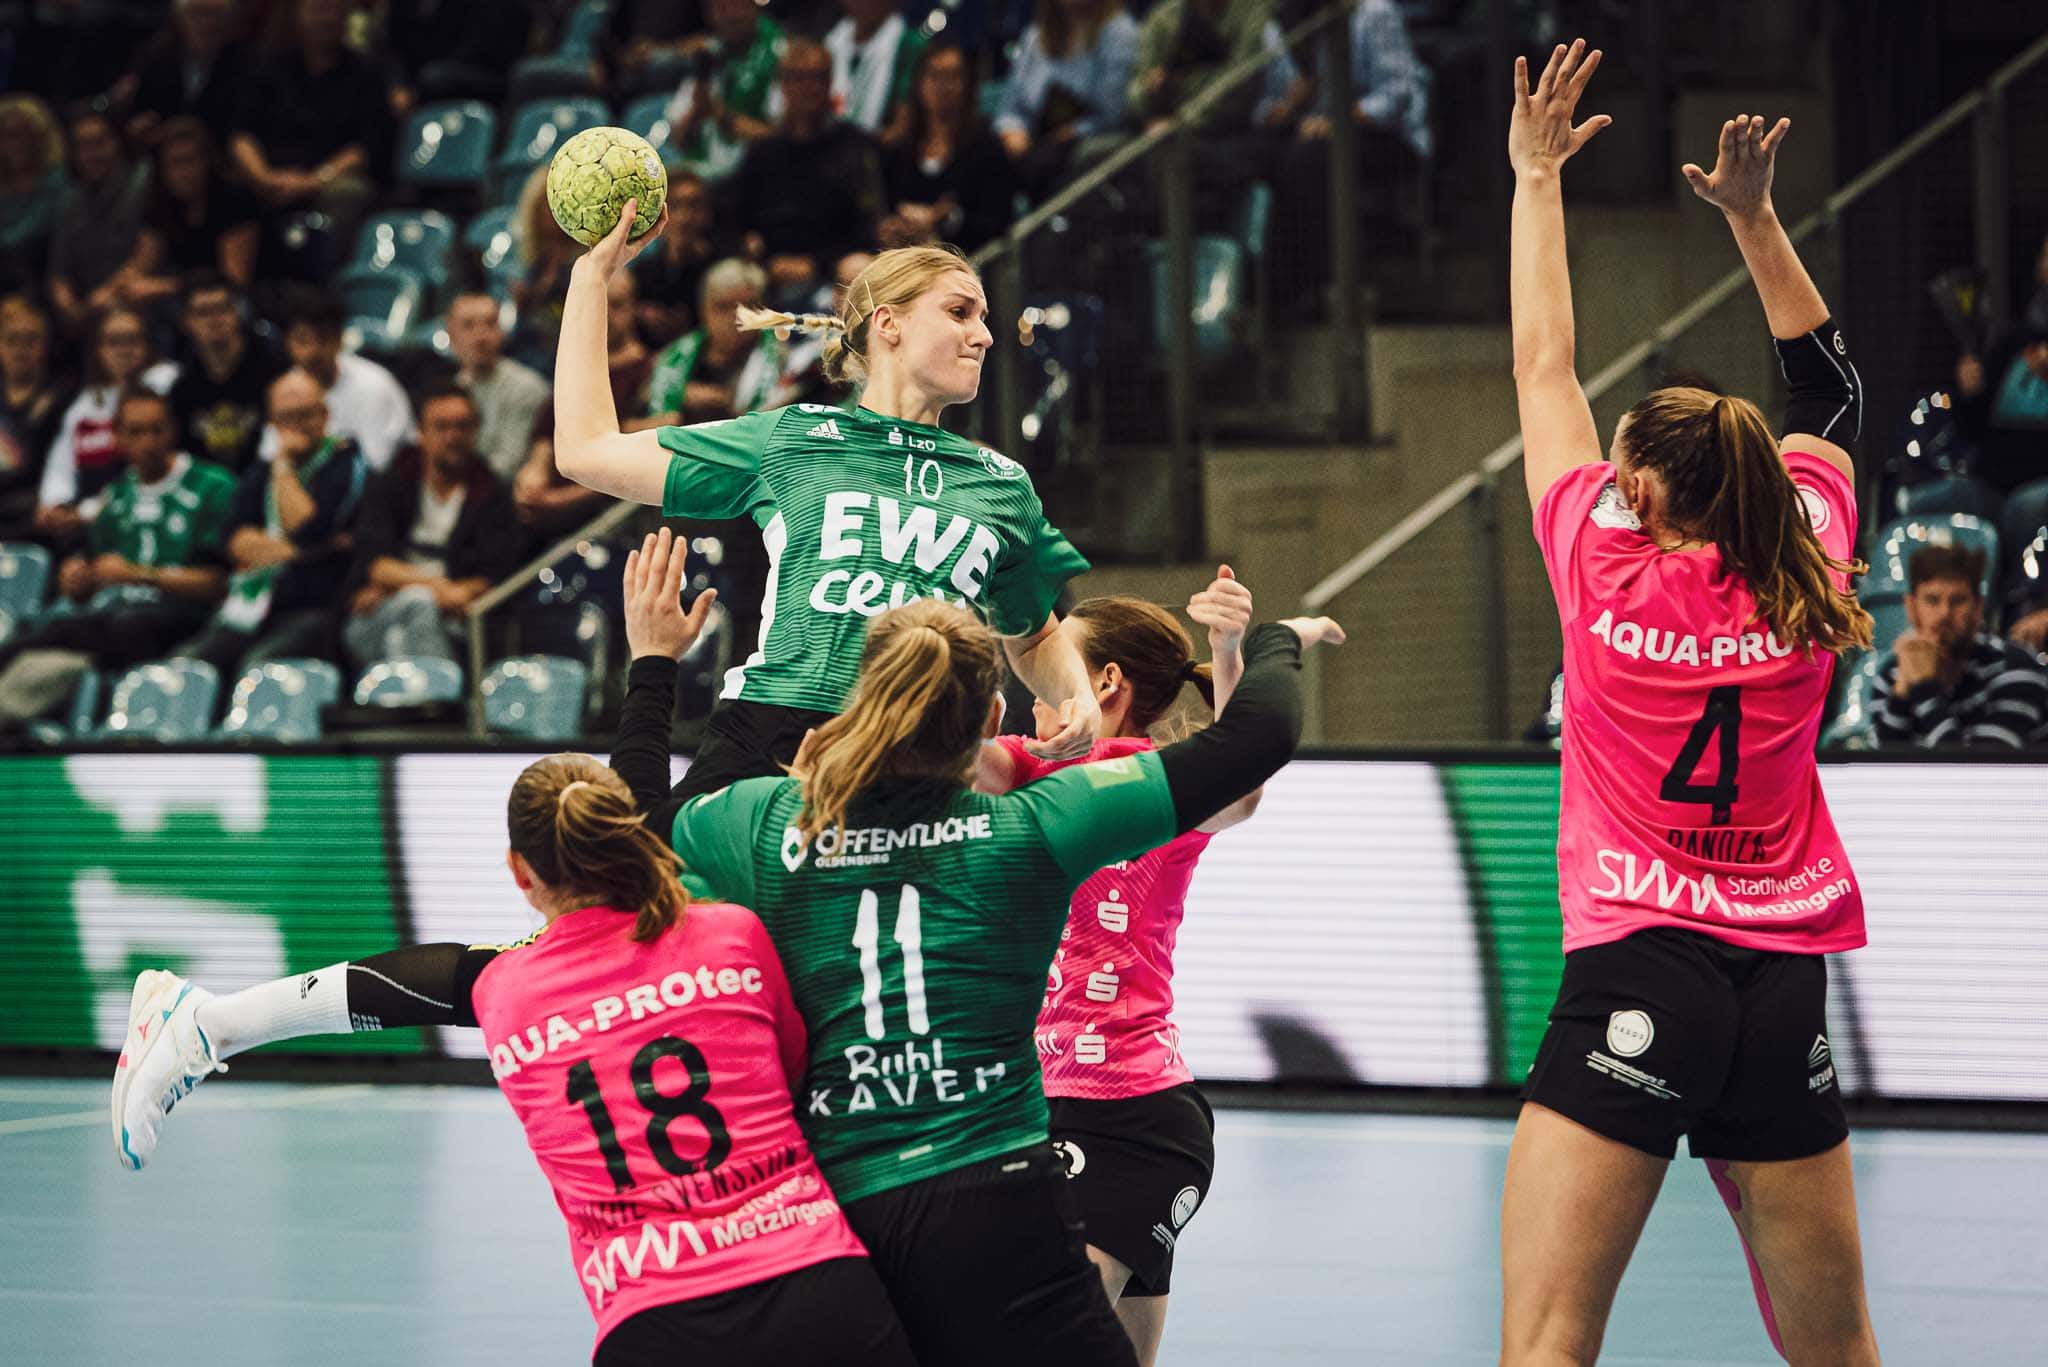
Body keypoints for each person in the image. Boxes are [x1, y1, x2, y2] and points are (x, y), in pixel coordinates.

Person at [607, 528, 1343, 1366]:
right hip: (1003, 1172)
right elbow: (1254, 741)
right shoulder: (1038, 821)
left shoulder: (774, 821)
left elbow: (634, 836)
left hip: (927, 1168)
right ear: (991, 722)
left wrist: (655, 663)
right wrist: (1276, 642)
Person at [110, 748, 916, 1367]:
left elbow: (408, 985)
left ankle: (206, 1025)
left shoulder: (506, 991)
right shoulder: (731, 931)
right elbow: (793, 1067)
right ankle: (205, 1025)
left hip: (655, 1321)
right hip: (817, 1286)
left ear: (520, 873)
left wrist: (222, 1023)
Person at [1504, 45, 1880, 1366]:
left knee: (1549, 1340)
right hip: (1778, 984)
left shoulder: (1597, 558)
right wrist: (1755, 219)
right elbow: (1828, 393)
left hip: (1638, 962)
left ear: (1643, 496)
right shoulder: (1809, 554)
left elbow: (1543, 364)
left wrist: (1535, 179)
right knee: (1837, 1348)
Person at [552, 205, 1106, 799]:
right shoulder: (791, 437)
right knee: (643, 856)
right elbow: (587, 451)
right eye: (959, 312)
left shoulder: (1002, 482)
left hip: (921, 750)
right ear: (888, 324)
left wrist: (1078, 697)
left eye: (984, 318)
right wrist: (591, 278)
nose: (985, 335)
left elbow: (1035, 635)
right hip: (776, 730)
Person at [971, 569, 1262, 1367]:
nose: (1033, 696)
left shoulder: (1159, 784)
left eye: (1046, 671)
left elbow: (1241, 789)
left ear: (1102, 682)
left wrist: (1229, 651)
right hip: (1045, 1111)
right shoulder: (1030, 767)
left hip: (1134, 1120)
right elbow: (945, 758)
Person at [0, 389, 235, 727]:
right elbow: (96, 580)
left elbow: (219, 585)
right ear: (118, 438)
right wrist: (79, 583)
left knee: (113, 624)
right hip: (114, 618)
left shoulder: (213, 485)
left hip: (185, 615)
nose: (148, 442)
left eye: (156, 430)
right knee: (37, 627)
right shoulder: (117, 496)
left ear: (174, 430)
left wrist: (139, 575)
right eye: (136, 432)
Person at [172, 369, 368, 683]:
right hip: (251, 606)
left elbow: (309, 528)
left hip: (314, 608)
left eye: (305, 414)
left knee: (258, 670)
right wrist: (298, 550)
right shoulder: (260, 471)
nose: (296, 426)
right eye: (286, 417)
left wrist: (283, 467)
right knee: (184, 666)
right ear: (272, 422)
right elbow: (232, 538)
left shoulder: (345, 462)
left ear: (325, 414)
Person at [341, 384, 525, 675]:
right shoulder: (392, 482)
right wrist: (438, 589)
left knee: (402, 638)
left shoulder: (491, 492)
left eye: (463, 426)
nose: (453, 436)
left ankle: (417, 697)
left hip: (458, 618)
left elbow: (497, 576)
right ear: (421, 432)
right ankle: (439, 697)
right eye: (442, 427)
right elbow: (376, 564)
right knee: (419, 605)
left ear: (476, 430)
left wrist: (402, 584)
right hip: (382, 613)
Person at [731, 39, 888, 300]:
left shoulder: (855, 146)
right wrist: (751, 247)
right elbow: (737, 216)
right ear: (782, 85)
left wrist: (818, 264)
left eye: (818, 77)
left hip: (835, 270)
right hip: (769, 270)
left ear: (830, 83)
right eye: (798, 78)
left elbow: (870, 226)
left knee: (858, 268)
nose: (809, 88)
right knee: (727, 280)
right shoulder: (762, 151)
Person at [226, 0, 391, 248]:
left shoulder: (367, 73)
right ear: (298, 15)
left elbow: (366, 147)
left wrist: (314, 181)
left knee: (348, 194)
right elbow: (241, 135)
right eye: (317, 9)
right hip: (270, 174)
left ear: (346, 17)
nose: (326, 19)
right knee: (227, 187)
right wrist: (262, 177)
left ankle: (323, 269)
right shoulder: (267, 67)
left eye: (333, 9)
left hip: (330, 178)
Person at [1869, 543, 2048, 749]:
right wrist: (1900, 697)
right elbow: (1882, 763)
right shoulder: (1891, 675)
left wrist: (1924, 689)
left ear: (1978, 607)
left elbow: (1980, 766)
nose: (1944, 613)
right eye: (1932, 600)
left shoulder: (2015, 671)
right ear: (1911, 607)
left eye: (1958, 601)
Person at [36, 307, 179, 540]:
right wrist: (54, 505)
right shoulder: (85, 403)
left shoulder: (168, 384)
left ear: (148, 344)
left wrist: (86, 512)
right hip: (88, 520)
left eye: (132, 339)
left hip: (155, 511)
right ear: (99, 350)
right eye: (114, 342)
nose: (124, 350)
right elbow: (61, 465)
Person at [880, 44, 1013, 256]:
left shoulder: (986, 148)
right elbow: (884, 208)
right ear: (919, 83)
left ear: (968, 85)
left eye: (953, 76)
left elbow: (997, 223)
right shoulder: (900, 149)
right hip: (902, 255)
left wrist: (948, 220)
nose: (943, 86)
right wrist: (894, 227)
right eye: (934, 75)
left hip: (962, 260)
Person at [263, 286, 413, 472]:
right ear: (287, 343)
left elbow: (375, 465)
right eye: (302, 340)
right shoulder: (285, 390)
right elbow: (269, 457)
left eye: (322, 339)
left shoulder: (375, 385)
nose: (312, 352)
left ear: (340, 338)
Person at [995, 0, 1141, 190]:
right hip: (1034, 141)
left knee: (1057, 158)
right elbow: (1010, 106)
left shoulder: (1119, 34)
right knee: (989, 152)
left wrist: (1075, 132)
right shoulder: (1034, 37)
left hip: (1087, 141)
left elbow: (1115, 114)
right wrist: (1013, 131)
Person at [45, 108, 152, 337]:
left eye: (100, 142)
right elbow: (59, 273)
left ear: (118, 141)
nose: (92, 153)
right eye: (82, 145)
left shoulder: (144, 183)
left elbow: (147, 254)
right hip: (87, 312)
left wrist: (103, 296)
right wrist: (69, 306)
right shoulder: (69, 200)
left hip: (138, 302)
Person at [645, 258, 789, 426]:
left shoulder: (783, 359)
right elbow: (633, 425)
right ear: (704, 310)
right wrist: (681, 401)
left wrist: (725, 406)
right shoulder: (674, 357)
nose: (735, 318)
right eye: (723, 307)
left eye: (748, 307)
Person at [129, 119, 263, 299]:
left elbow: (235, 279)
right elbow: (141, 264)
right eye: (175, 164)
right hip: (183, 298)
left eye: (190, 161)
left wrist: (164, 287)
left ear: (208, 161)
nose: (184, 173)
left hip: (236, 299)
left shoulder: (234, 199)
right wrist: (112, 290)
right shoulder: (162, 203)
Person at [167, 272, 280, 477]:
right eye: (203, 312)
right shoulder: (182, 390)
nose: (214, 320)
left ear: (238, 312)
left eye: (221, 308)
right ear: (187, 321)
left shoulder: (273, 374)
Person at [663, 0, 787, 180]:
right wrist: (698, 111)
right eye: (720, 8)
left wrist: (720, 115)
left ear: (754, 6)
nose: (730, 15)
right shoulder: (708, 54)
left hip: (754, 174)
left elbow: (781, 139)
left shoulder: (780, 52)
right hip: (702, 170)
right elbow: (678, 138)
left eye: (737, 5)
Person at [115, 0, 250, 149]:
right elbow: (138, 110)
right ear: (180, 18)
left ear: (231, 20)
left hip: (217, 153)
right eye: (196, 14)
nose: (206, 23)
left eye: (215, 15)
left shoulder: (246, 63)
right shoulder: (155, 56)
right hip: (160, 151)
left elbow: (241, 125)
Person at [448, 290, 549, 484]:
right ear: (451, 336)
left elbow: (509, 466)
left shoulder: (527, 388)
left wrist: (450, 485)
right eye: (468, 325)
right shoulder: (452, 388)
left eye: (490, 323)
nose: (481, 336)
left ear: (502, 332)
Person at [0, 295, 72, 543]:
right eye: (12, 339)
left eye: (30, 340)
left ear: (45, 344)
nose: (21, 349)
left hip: (34, 513)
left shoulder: (63, 397)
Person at [631, 170, 728, 347]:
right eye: (675, 206)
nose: (684, 217)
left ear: (707, 213)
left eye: (693, 205)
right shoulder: (644, 271)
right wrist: (640, 313)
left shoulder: (722, 268)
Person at [1953, 321, 2048, 497]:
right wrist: (1969, 393)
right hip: (1990, 480)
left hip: (2038, 485)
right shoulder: (2013, 344)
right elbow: (1972, 430)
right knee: (1913, 503)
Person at [824, 0, 927, 140]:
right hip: (831, 141)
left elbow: (902, 125)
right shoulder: (831, 43)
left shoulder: (910, 45)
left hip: (880, 146)